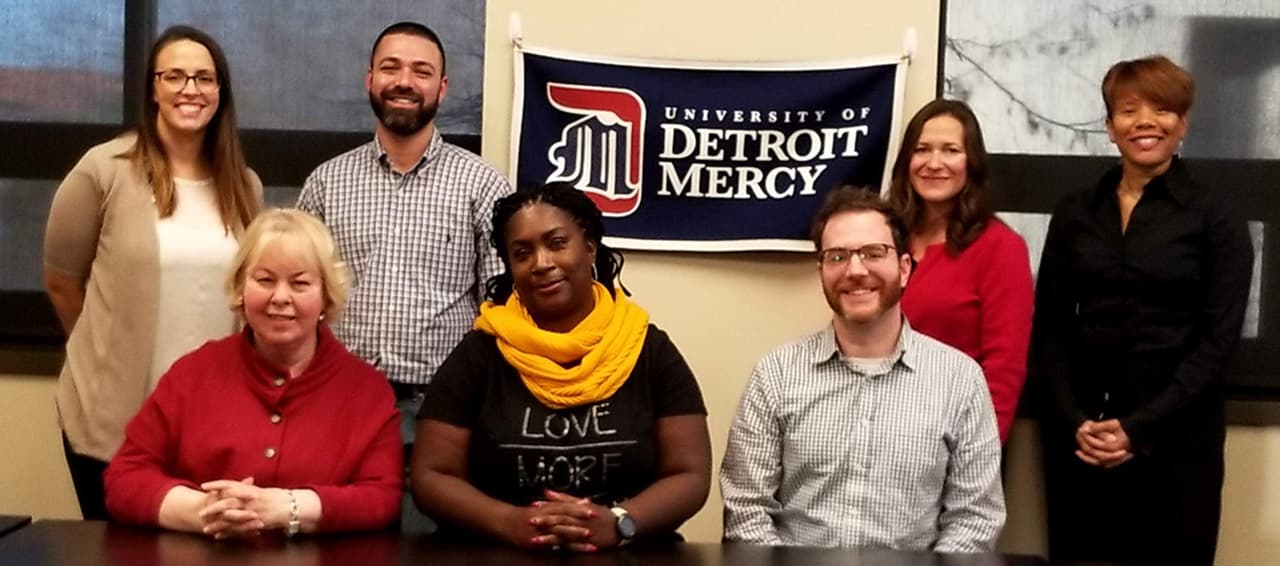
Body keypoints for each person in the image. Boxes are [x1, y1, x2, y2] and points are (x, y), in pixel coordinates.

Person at [1034, 55, 1252, 565]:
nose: (1146, 121)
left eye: (1163, 110)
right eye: (1130, 110)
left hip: (1178, 447)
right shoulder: (1076, 212)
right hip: (1082, 443)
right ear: (1110, 128)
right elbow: (1051, 326)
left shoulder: (1216, 216)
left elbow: (1218, 343)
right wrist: (1075, 421)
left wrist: (1139, 428)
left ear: (1182, 125)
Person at [411, 182, 711, 552]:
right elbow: (431, 475)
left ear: (588, 247)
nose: (541, 263)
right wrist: (509, 522)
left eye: (556, 243)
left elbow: (689, 474)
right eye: (522, 252)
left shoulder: (647, 349)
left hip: (629, 554)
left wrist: (619, 522)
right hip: (499, 554)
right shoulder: (480, 353)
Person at [296, 22, 512, 528]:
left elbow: (502, 306)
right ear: (369, 79)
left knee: (425, 547)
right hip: (337, 404)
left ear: (443, 88)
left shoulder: (482, 184)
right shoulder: (327, 183)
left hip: (441, 411)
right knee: (340, 542)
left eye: (422, 71)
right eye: (391, 67)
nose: (404, 81)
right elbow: (298, 294)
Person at [43, 25, 262, 520]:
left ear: (220, 92)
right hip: (111, 420)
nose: (190, 89)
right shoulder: (103, 170)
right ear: (152, 89)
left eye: (204, 78)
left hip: (210, 423)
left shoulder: (244, 185)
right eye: (175, 76)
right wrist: (104, 352)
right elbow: (61, 280)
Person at [721, 186, 1004, 552]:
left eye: (873, 253)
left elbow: (975, 519)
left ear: (903, 268)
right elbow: (746, 510)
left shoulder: (960, 380)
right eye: (837, 257)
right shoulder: (776, 375)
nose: (855, 270)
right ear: (820, 270)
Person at [104, 209, 402, 537]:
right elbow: (124, 478)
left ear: (326, 296)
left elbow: (382, 498)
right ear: (240, 288)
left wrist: (287, 507)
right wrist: (206, 512)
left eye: (300, 283)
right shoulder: (193, 374)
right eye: (265, 280)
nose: (280, 297)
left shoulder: (367, 391)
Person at [888, 99, 1034, 443]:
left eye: (950, 150)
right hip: (876, 430)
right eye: (922, 149)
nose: (934, 163)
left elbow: (1004, 369)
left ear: (972, 163)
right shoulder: (885, 238)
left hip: (953, 437)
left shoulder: (1001, 247)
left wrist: (978, 452)